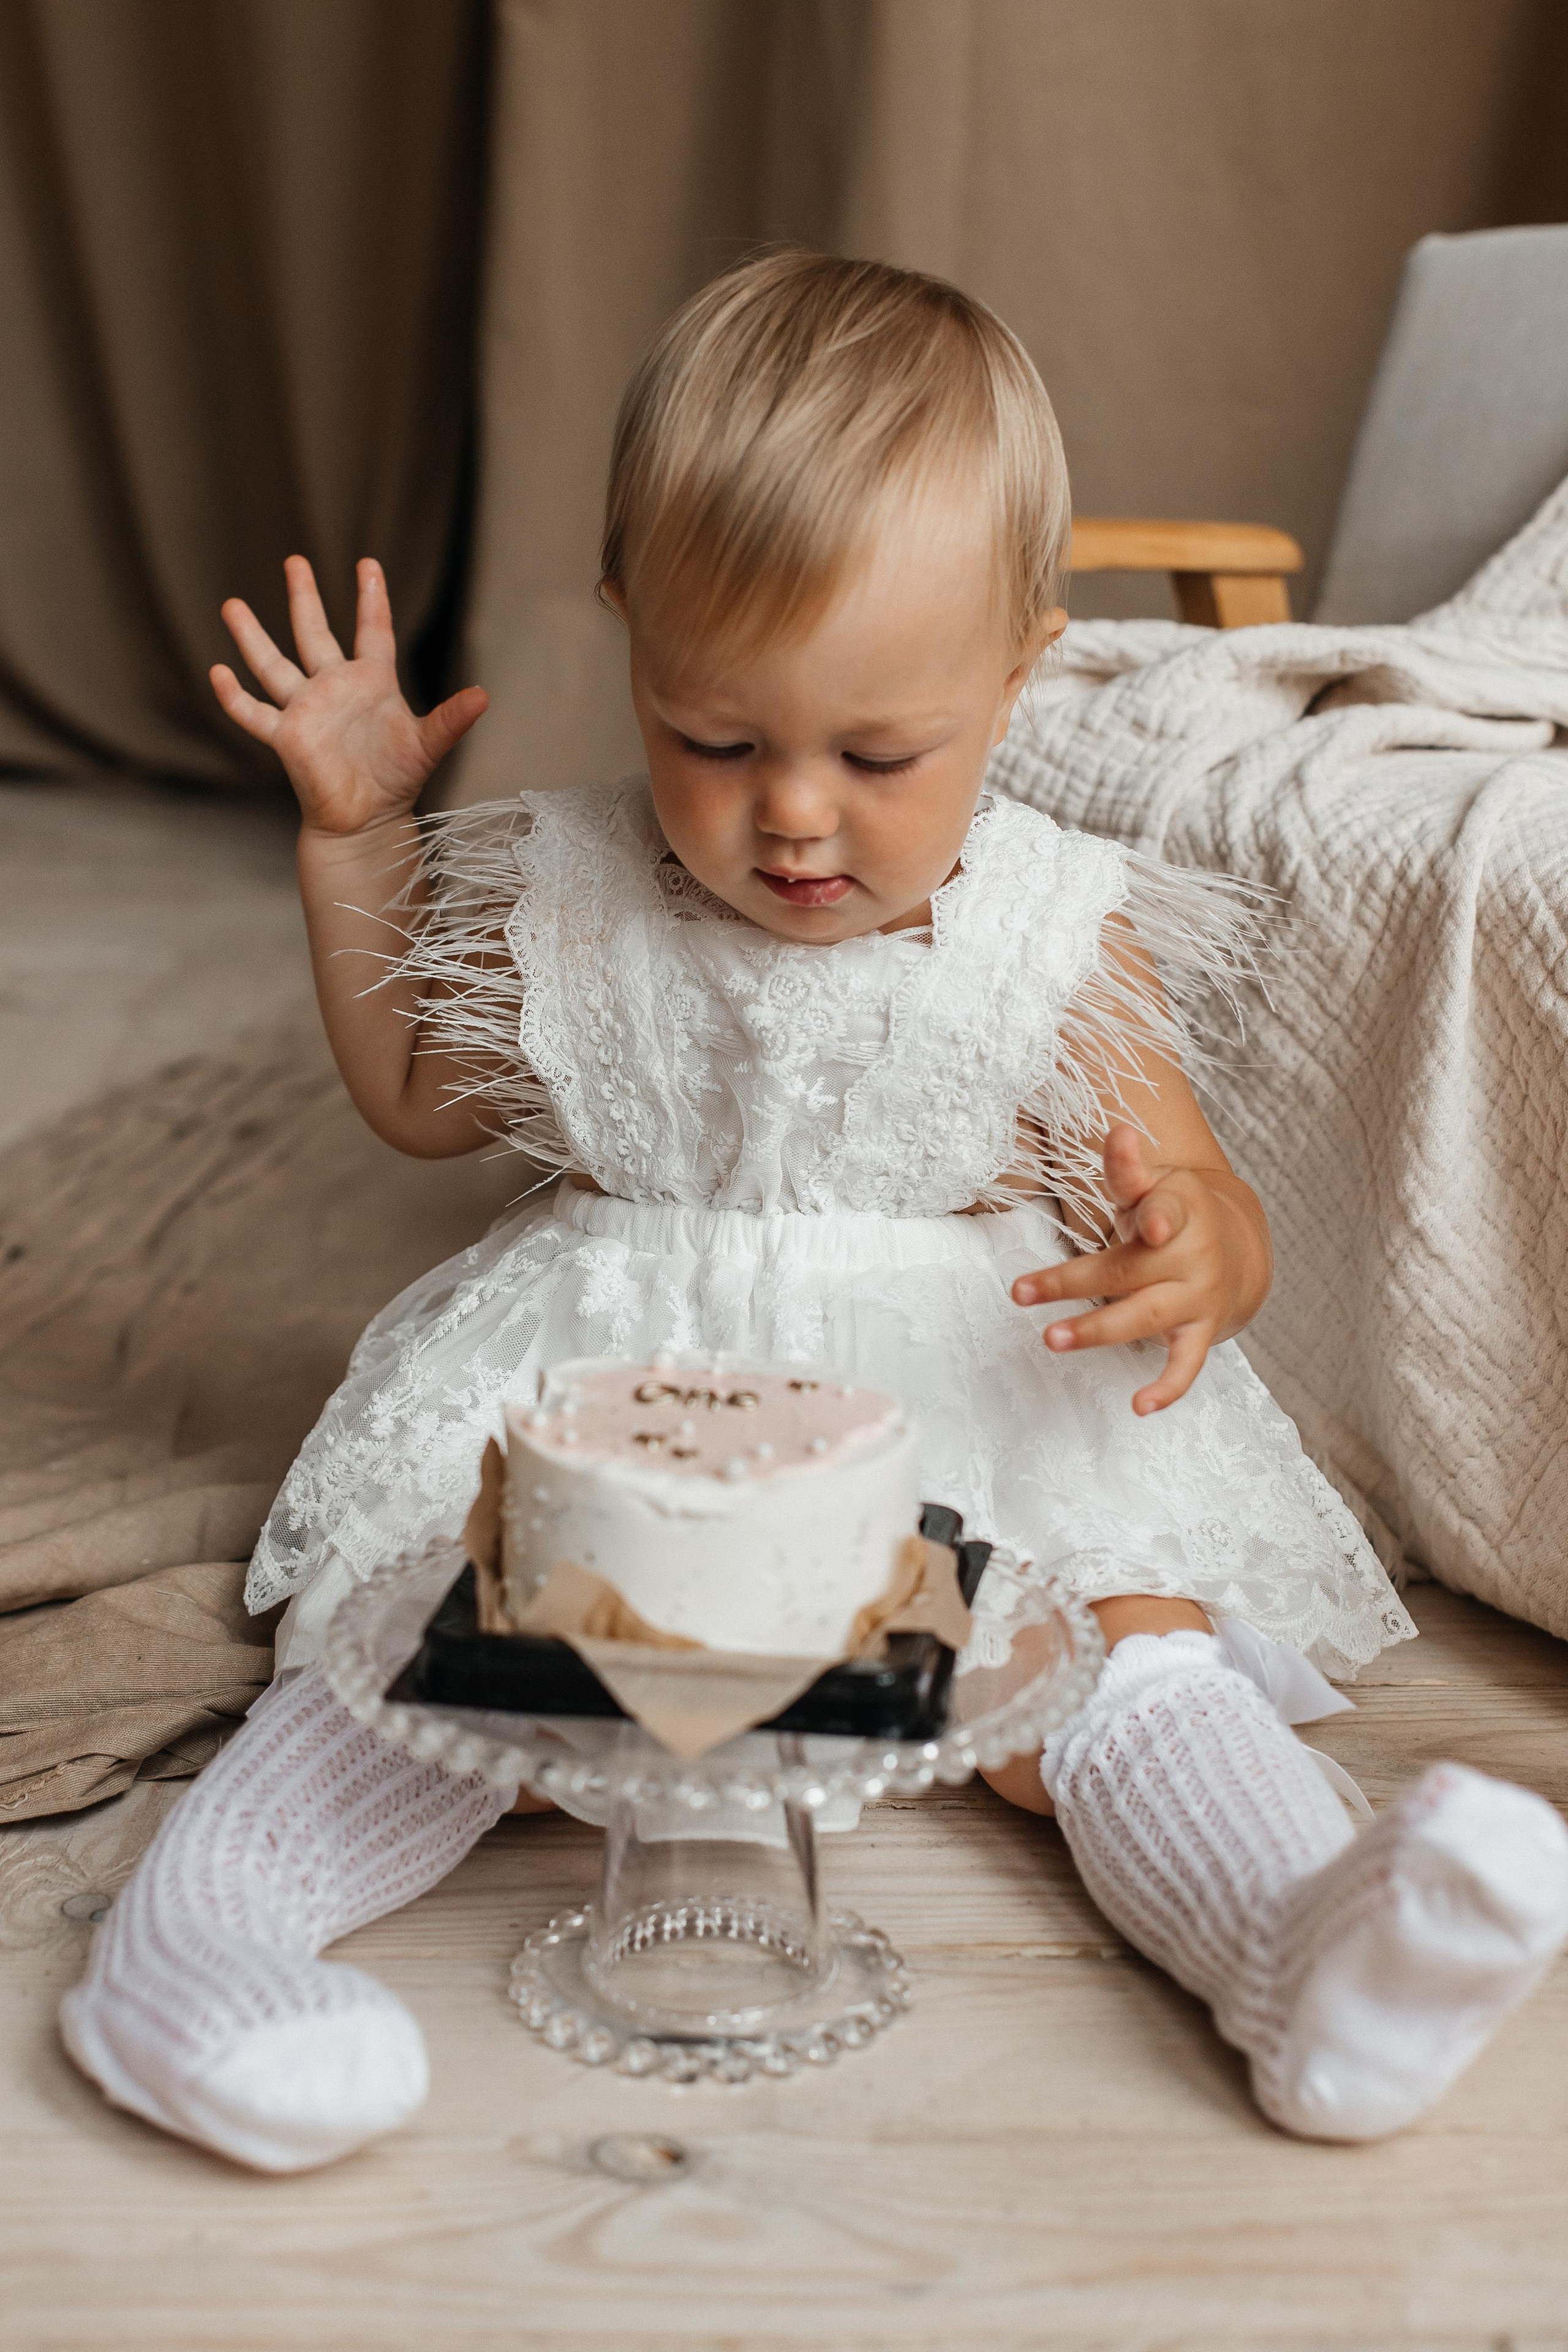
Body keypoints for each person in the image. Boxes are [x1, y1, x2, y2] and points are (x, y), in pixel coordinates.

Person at [60, 252, 1568, 2172]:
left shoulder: (1051, 925)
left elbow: (1193, 1177)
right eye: (716, 738)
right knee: (436, 1632)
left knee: (1121, 1639)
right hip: (628, 1383)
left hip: (957, 1379)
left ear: (1021, 672)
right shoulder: (570, 882)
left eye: (877, 757)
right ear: (630, 642)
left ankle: (1300, 1946)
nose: (791, 816)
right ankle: (203, 1946)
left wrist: (1198, 1244)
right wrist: (356, 839)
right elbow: (418, 1100)